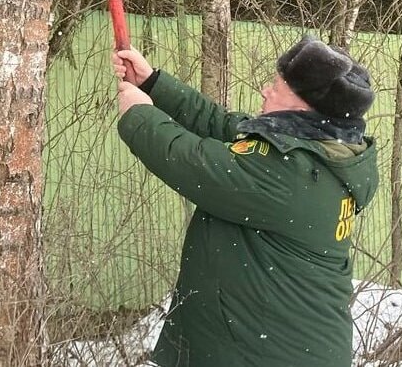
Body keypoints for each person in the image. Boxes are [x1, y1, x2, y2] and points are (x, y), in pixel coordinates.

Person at [114, 35, 378, 367]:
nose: (266, 91)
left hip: (273, 355)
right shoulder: (311, 152)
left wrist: (138, 114)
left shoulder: (289, 174)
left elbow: (192, 161)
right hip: (278, 348)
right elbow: (222, 125)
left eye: (277, 87)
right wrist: (152, 83)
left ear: (304, 108)